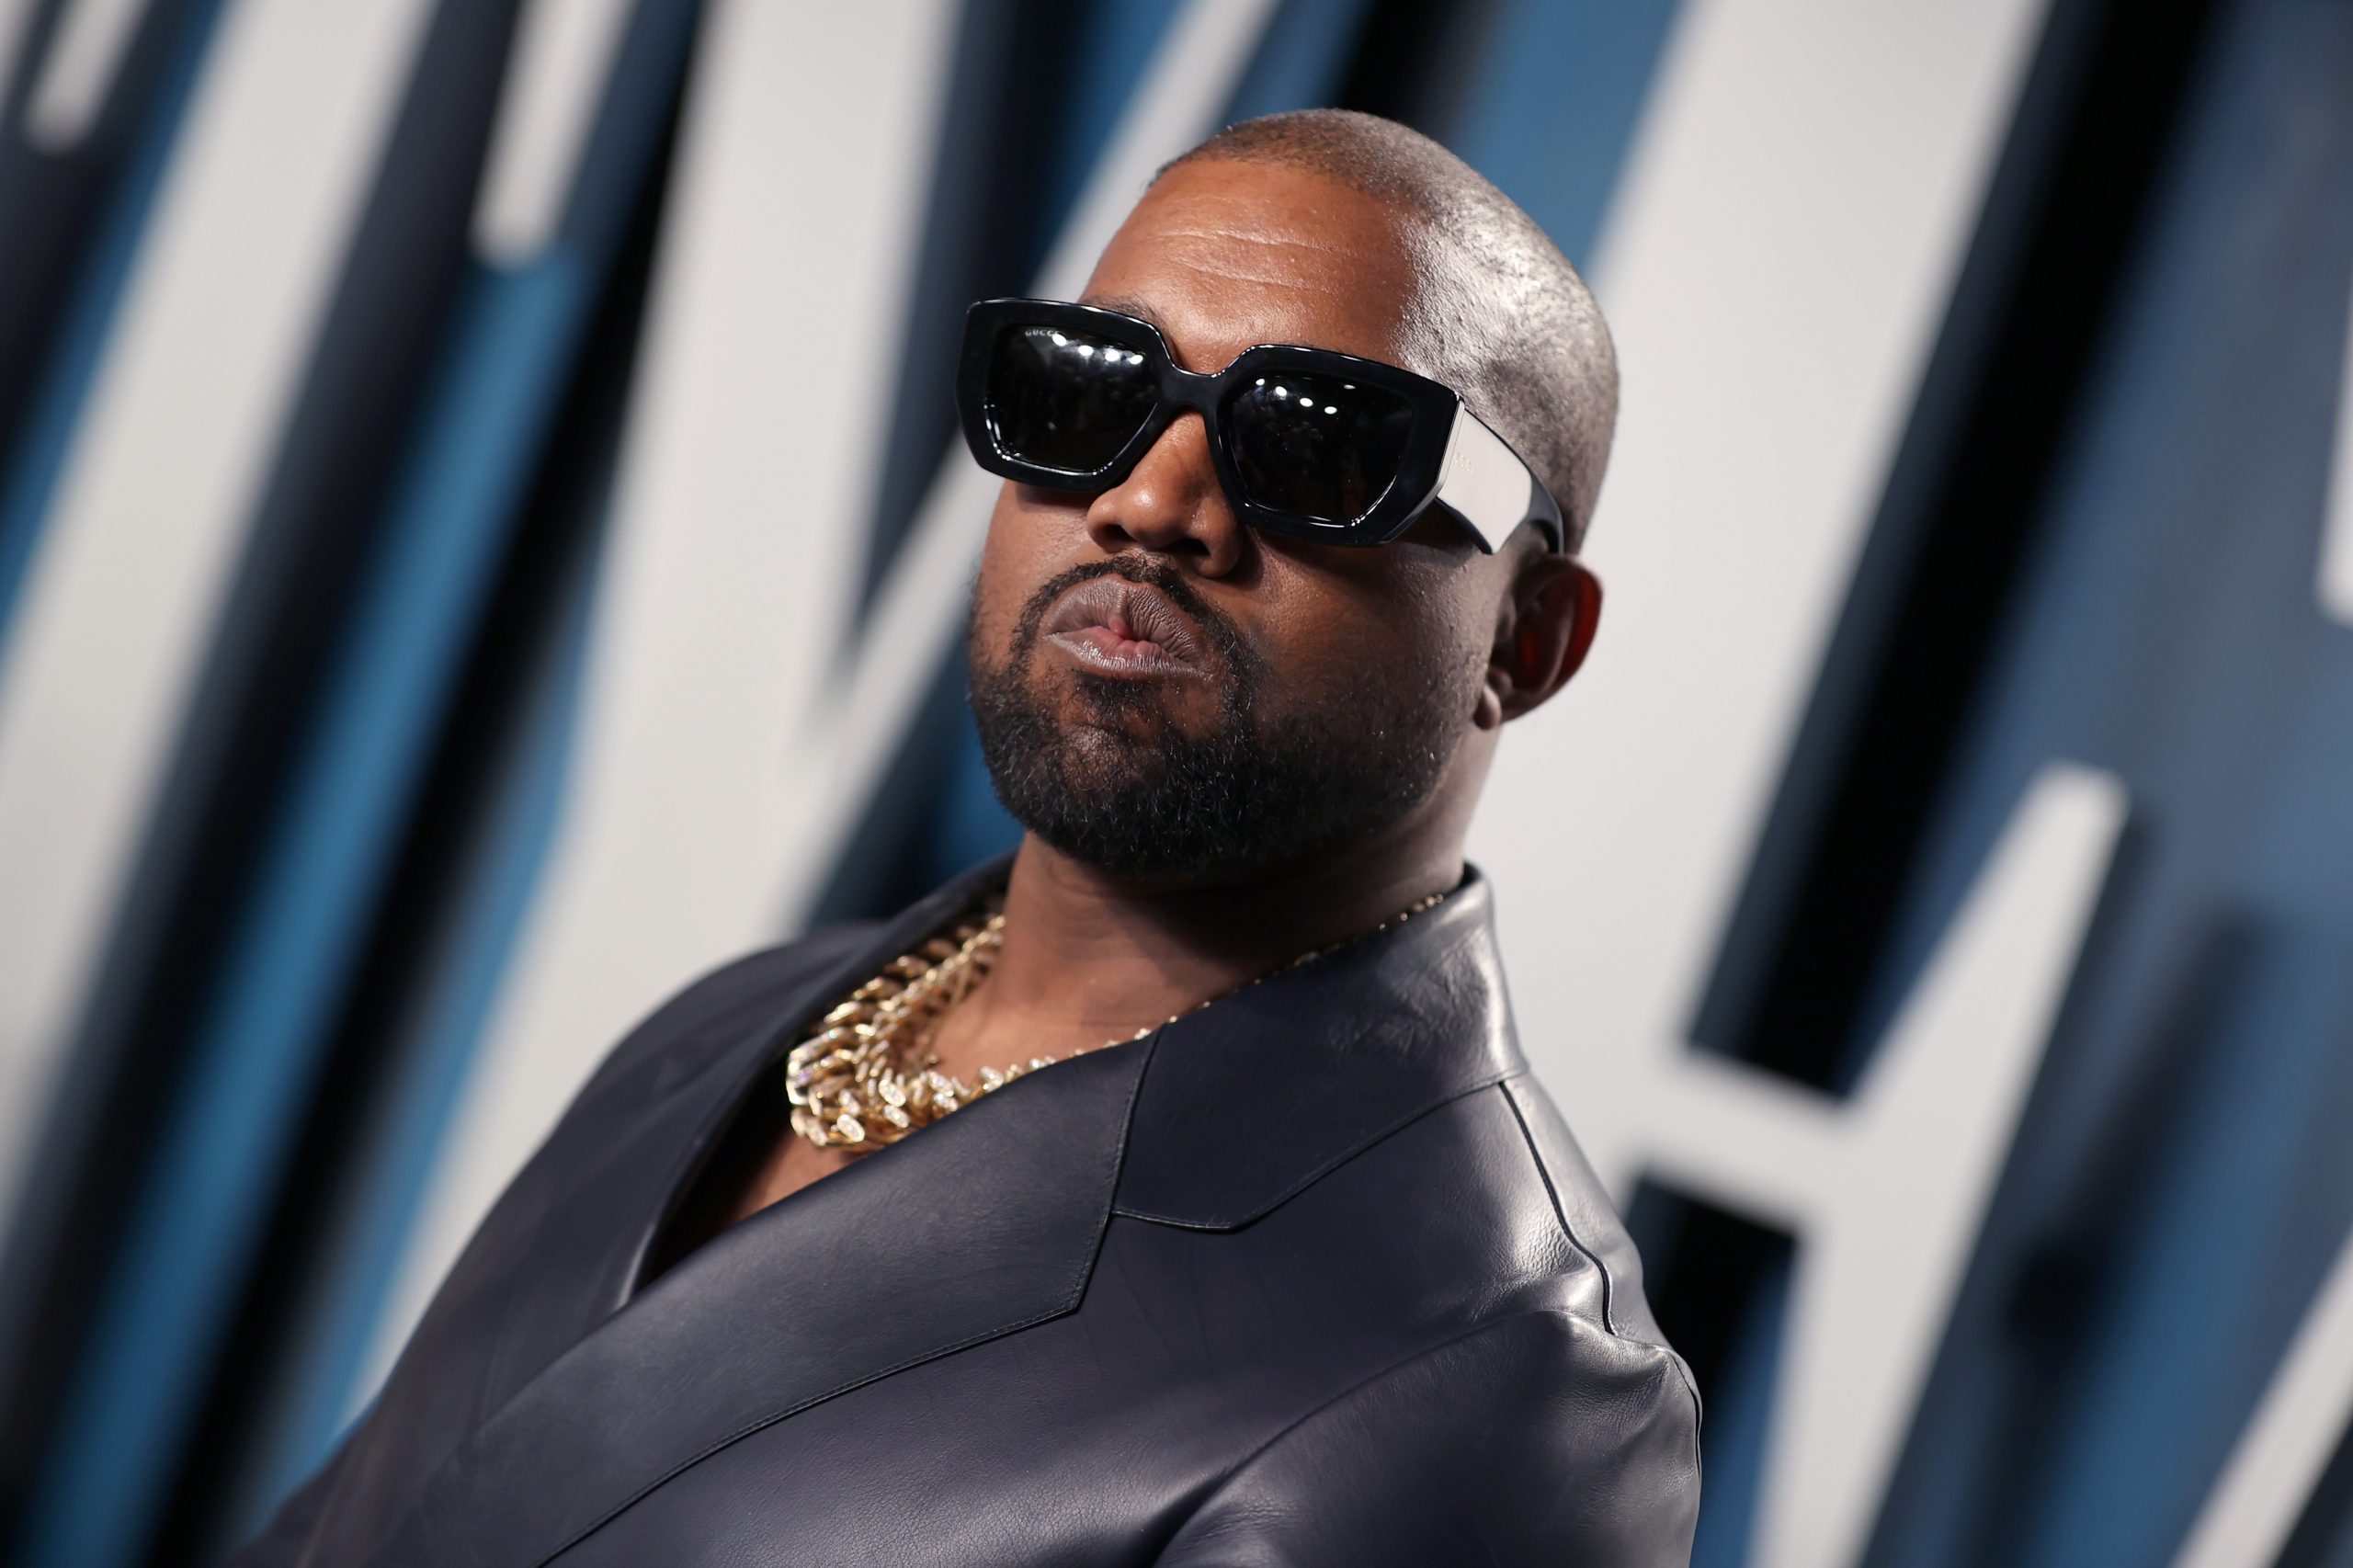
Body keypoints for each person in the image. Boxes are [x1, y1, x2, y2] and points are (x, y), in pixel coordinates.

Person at [233, 108, 1699, 1567]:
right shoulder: (728, 1030)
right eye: (1083, 389)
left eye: (1318, 443)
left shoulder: (1501, 1385)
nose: (1147, 502)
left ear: (1525, 636)